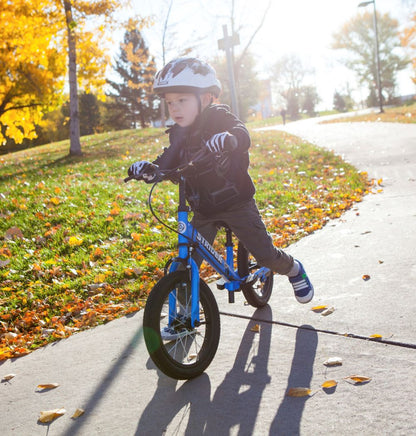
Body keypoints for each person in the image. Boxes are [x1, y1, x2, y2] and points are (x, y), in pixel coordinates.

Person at [128, 58, 313, 339]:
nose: (175, 107)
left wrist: (229, 138)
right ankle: (182, 318)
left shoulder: (219, 118)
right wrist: (150, 170)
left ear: (207, 98)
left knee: (264, 255)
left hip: (236, 202)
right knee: (182, 264)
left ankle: (294, 268)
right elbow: (167, 161)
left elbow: (242, 134)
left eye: (182, 99)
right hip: (204, 208)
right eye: (169, 102)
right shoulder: (179, 134)